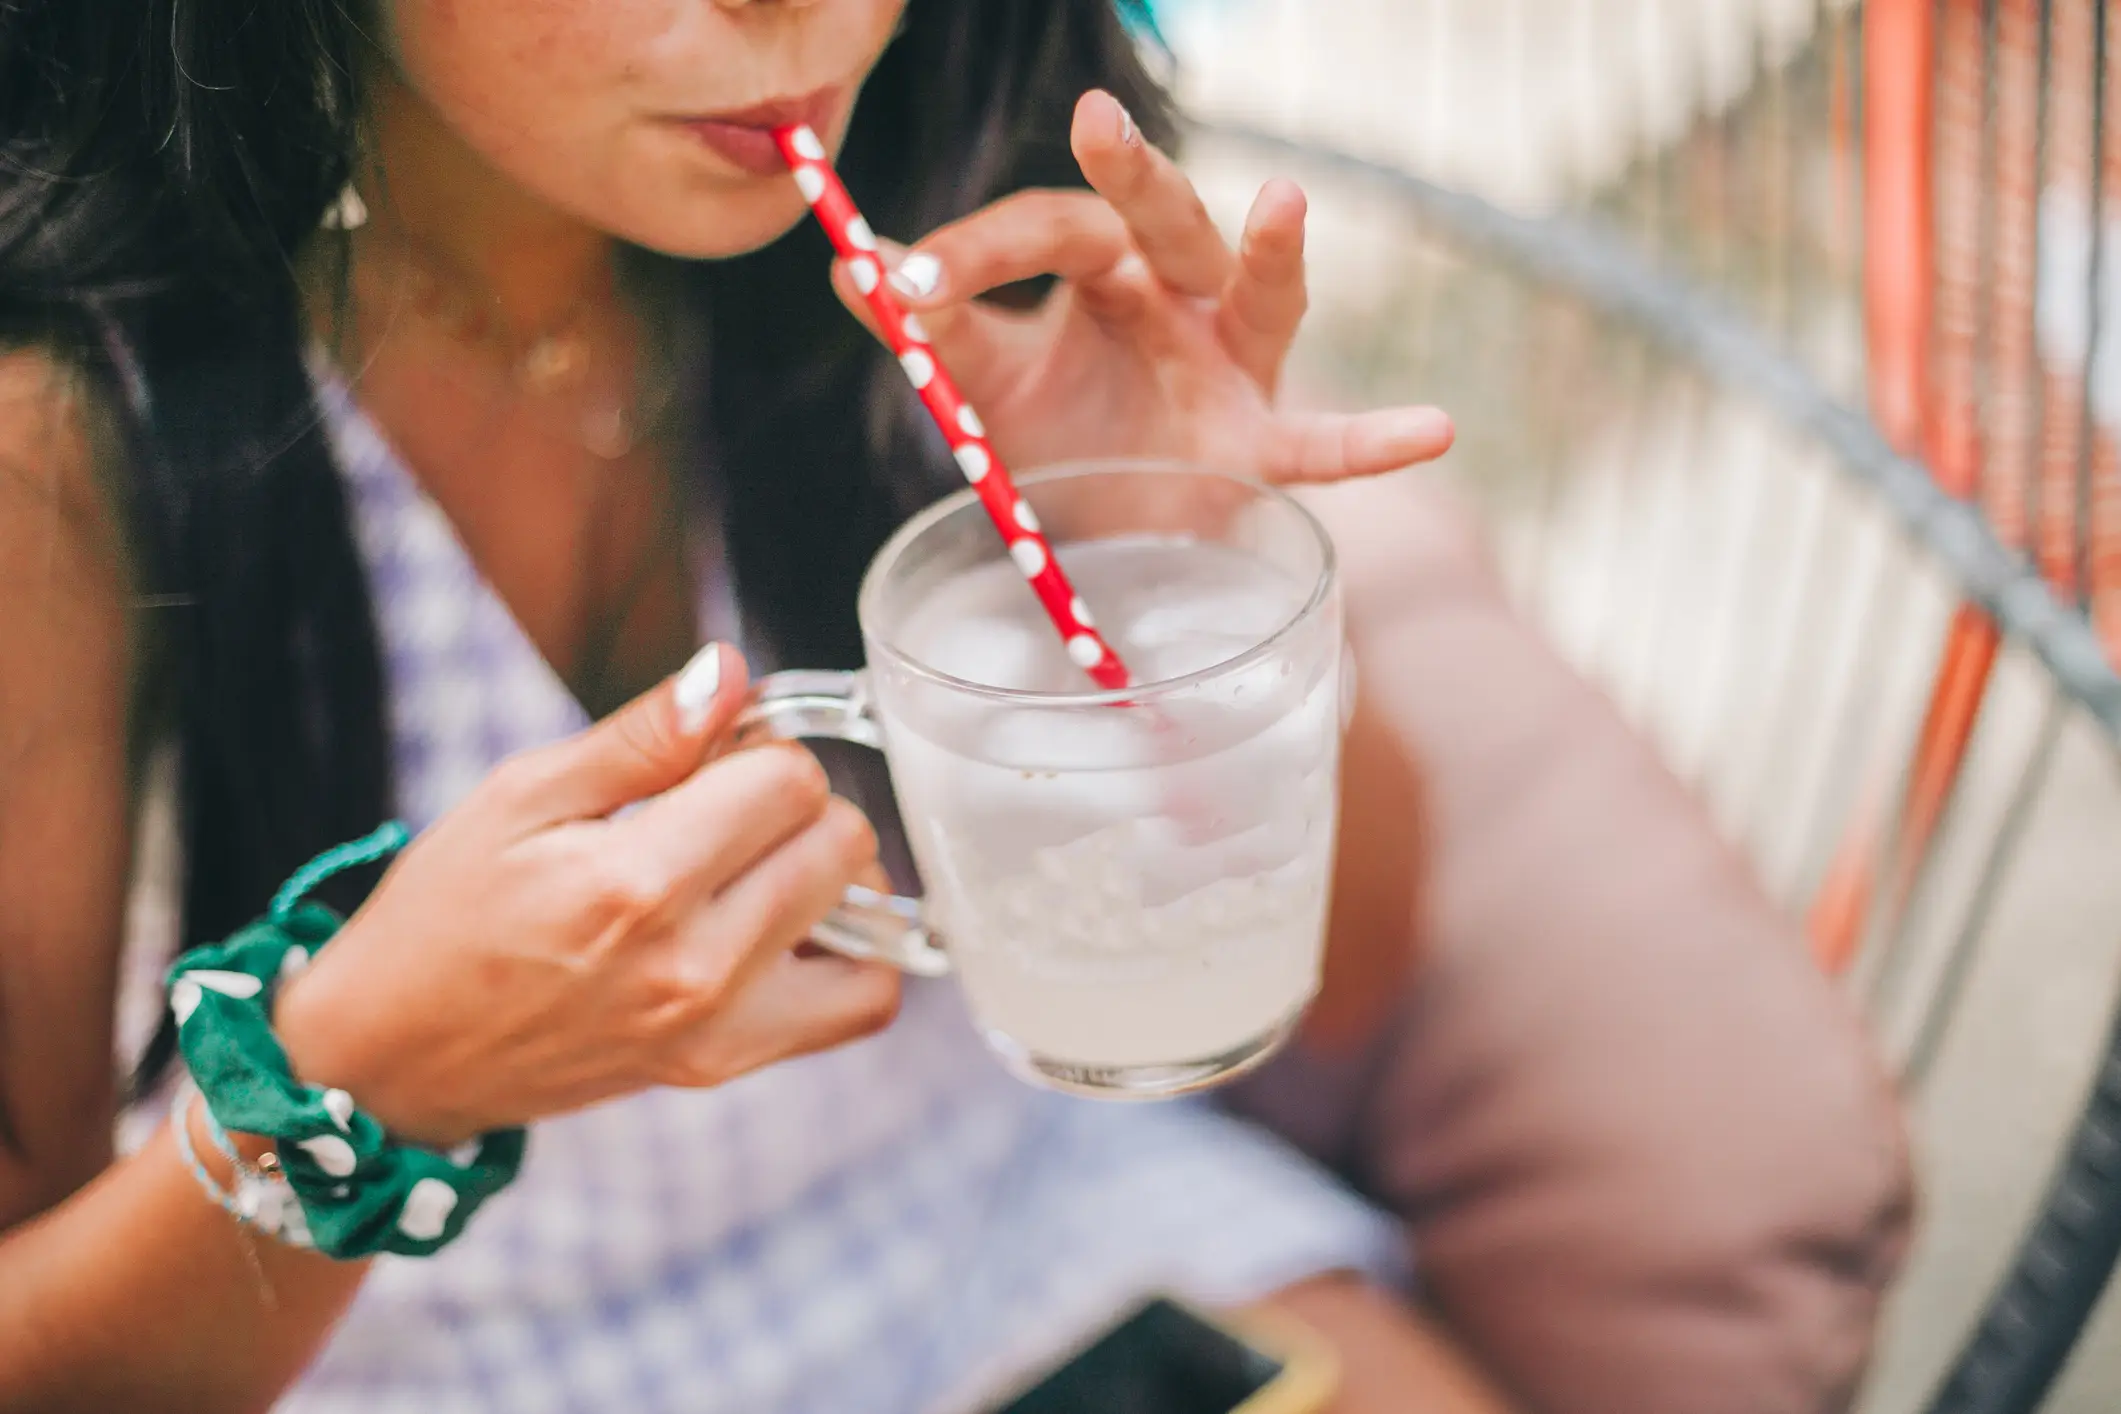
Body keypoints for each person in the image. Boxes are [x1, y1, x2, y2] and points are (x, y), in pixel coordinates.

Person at [0, 1, 1504, 1410]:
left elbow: (1344, 980)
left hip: (1034, 1242)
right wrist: (359, 1090)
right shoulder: (64, 443)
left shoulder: (960, 235)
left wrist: (1179, 547)